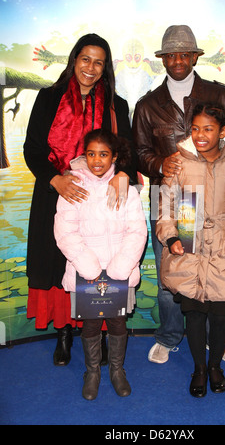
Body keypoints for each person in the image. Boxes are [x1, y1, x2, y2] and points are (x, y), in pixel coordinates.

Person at [132, 25, 225, 365]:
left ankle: (213, 339)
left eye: (184, 54)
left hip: (219, 195)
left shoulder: (220, 94)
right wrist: (163, 164)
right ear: (162, 59)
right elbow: (139, 153)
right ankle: (169, 335)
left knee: (220, 267)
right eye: (170, 55)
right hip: (175, 199)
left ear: (195, 56)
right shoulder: (147, 105)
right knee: (172, 272)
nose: (177, 60)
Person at [24, 33, 137, 367]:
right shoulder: (48, 98)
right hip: (56, 191)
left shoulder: (117, 106)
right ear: (74, 60)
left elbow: (127, 152)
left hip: (102, 202)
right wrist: (56, 179)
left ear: (106, 68)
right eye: (85, 59)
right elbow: (32, 150)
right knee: (61, 260)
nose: (90, 67)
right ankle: (63, 333)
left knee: (100, 261)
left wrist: (123, 174)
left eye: (98, 62)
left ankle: (101, 332)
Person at [156, 103, 225, 397]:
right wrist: (170, 237)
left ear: (223, 132)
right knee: (193, 313)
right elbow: (165, 206)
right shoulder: (178, 162)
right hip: (188, 247)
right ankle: (199, 369)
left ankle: (215, 365)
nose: (200, 135)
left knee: (220, 316)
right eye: (195, 129)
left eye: (208, 129)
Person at [54, 129, 147, 399]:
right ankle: (92, 371)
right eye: (91, 154)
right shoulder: (73, 186)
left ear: (114, 156)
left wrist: (122, 266)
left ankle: (117, 370)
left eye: (103, 154)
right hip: (86, 272)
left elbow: (137, 231)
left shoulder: (126, 188)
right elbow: (64, 231)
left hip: (120, 270)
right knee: (91, 325)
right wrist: (87, 265)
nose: (96, 160)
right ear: (84, 155)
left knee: (118, 323)